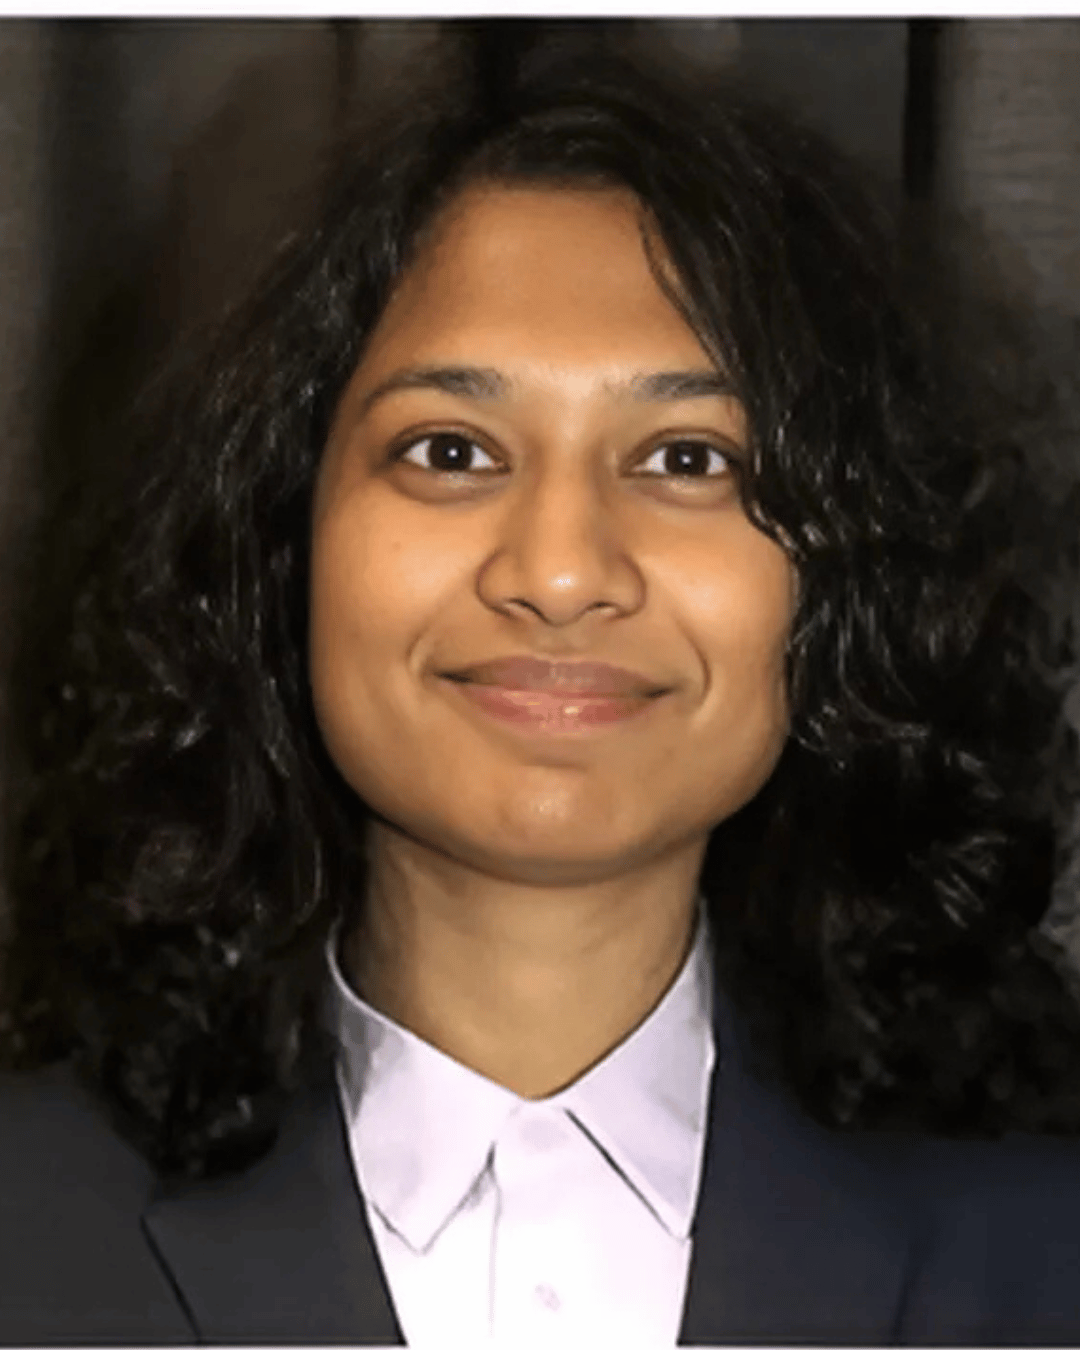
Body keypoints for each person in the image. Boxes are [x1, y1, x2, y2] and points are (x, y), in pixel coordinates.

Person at [3, 48, 1080, 1348]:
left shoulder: (1043, 1255)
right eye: (451, 450)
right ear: (279, 543)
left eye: (688, 459)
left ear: (855, 580)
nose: (562, 573)